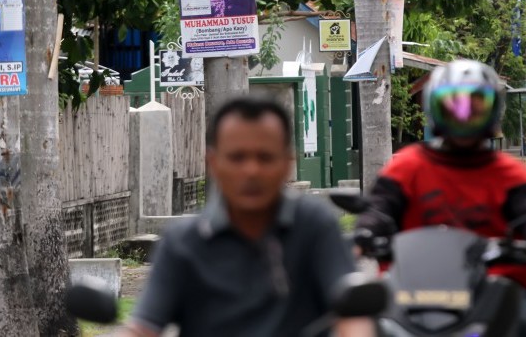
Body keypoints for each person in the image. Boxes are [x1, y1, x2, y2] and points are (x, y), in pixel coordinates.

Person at [122, 98, 372, 337]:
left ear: (287, 163)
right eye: (237, 157)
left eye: (265, 157)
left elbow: (351, 314)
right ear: (213, 162)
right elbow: (144, 326)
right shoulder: (183, 241)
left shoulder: (314, 224)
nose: (251, 170)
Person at [356, 60, 526, 337]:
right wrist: (365, 232)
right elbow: (381, 207)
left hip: (492, 287)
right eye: (453, 107)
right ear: (435, 109)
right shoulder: (407, 167)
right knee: (361, 324)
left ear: (493, 110)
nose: (464, 116)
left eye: (475, 107)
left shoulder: (509, 173)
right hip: (413, 289)